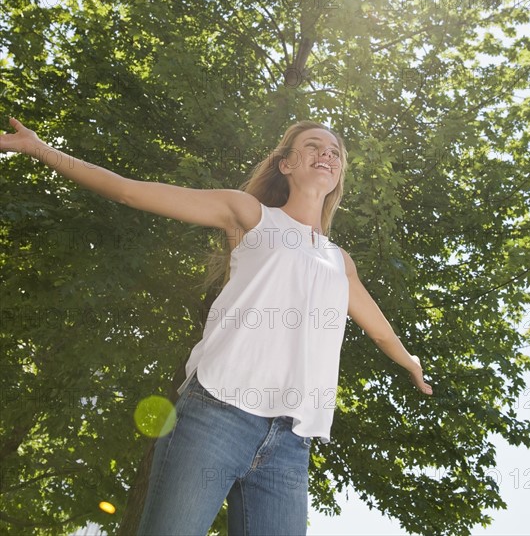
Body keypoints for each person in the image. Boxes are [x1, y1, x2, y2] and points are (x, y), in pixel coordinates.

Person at [0, 117, 432, 536]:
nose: (326, 154)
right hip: (216, 414)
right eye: (313, 147)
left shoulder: (340, 262)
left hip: (292, 441)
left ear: (338, 174)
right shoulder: (250, 214)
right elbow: (131, 193)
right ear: (286, 164)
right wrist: (41, 150)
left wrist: (410, 360)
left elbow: (380, 331)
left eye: (334, 152)